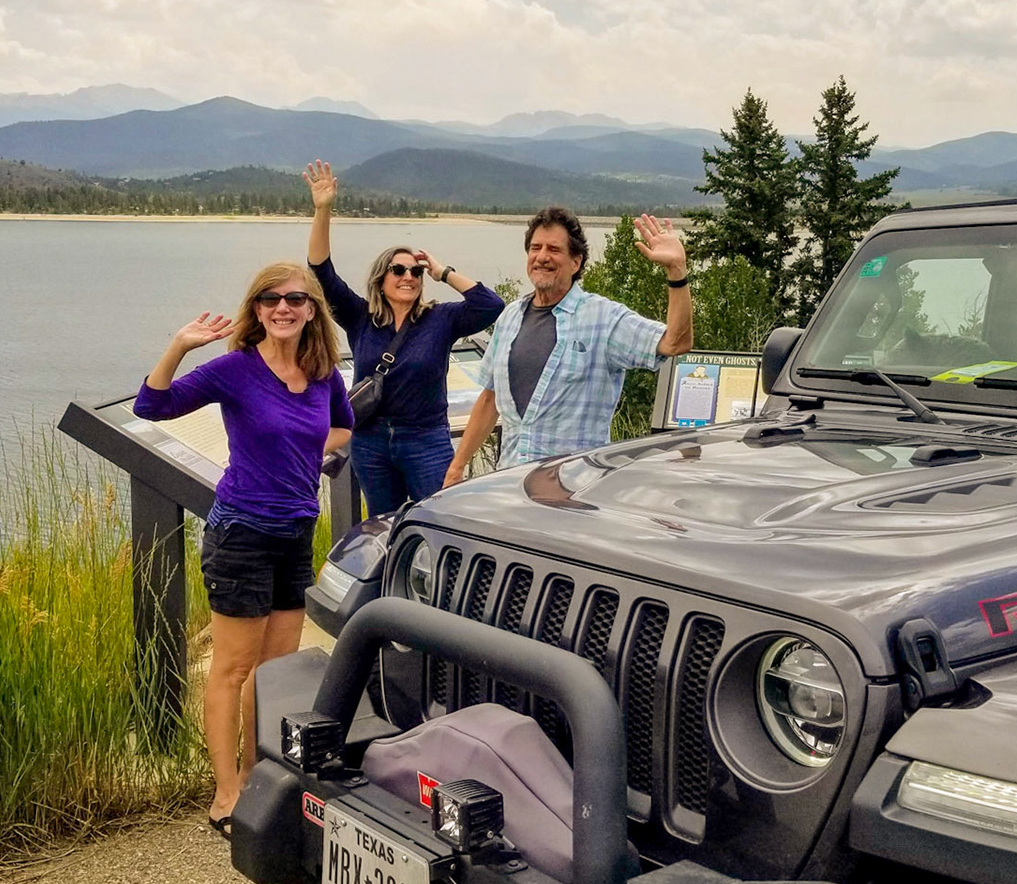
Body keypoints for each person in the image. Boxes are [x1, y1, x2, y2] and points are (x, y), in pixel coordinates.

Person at [132, 262, 352, 829]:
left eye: (295, 299)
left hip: (296, 533)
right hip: (242, 534)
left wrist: (302, 454)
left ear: (312, 310)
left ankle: (259, 777)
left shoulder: (322, 373)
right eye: (270, 299)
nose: (283, 308)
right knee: (232, 669)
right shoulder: (236, 369)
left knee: (274, 671)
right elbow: (151, 406)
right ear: (256, 309)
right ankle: (226, 793)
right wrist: (180, 346)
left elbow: (344, 427)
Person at [303, 160, 505, 513]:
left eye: (415, 271)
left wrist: (443, 272)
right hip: (370, 442)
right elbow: (321, 272)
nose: (408, 276)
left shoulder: (440, 318)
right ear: (381, 278)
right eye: (398, 270)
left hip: (426, 440)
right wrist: (323, 210)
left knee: (440, 521)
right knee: (385, 525)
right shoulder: (360, 317)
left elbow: (491, 305)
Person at [446, 205, 692, 485]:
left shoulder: (603, 318)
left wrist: (676, 270)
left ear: (576, 262)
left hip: (576, 490)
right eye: (536, 248)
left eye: (554, 249)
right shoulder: (510, 317)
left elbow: (676, 342)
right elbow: (490, 399)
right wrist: (457, 467)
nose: (542, 257)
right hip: (511, 484)